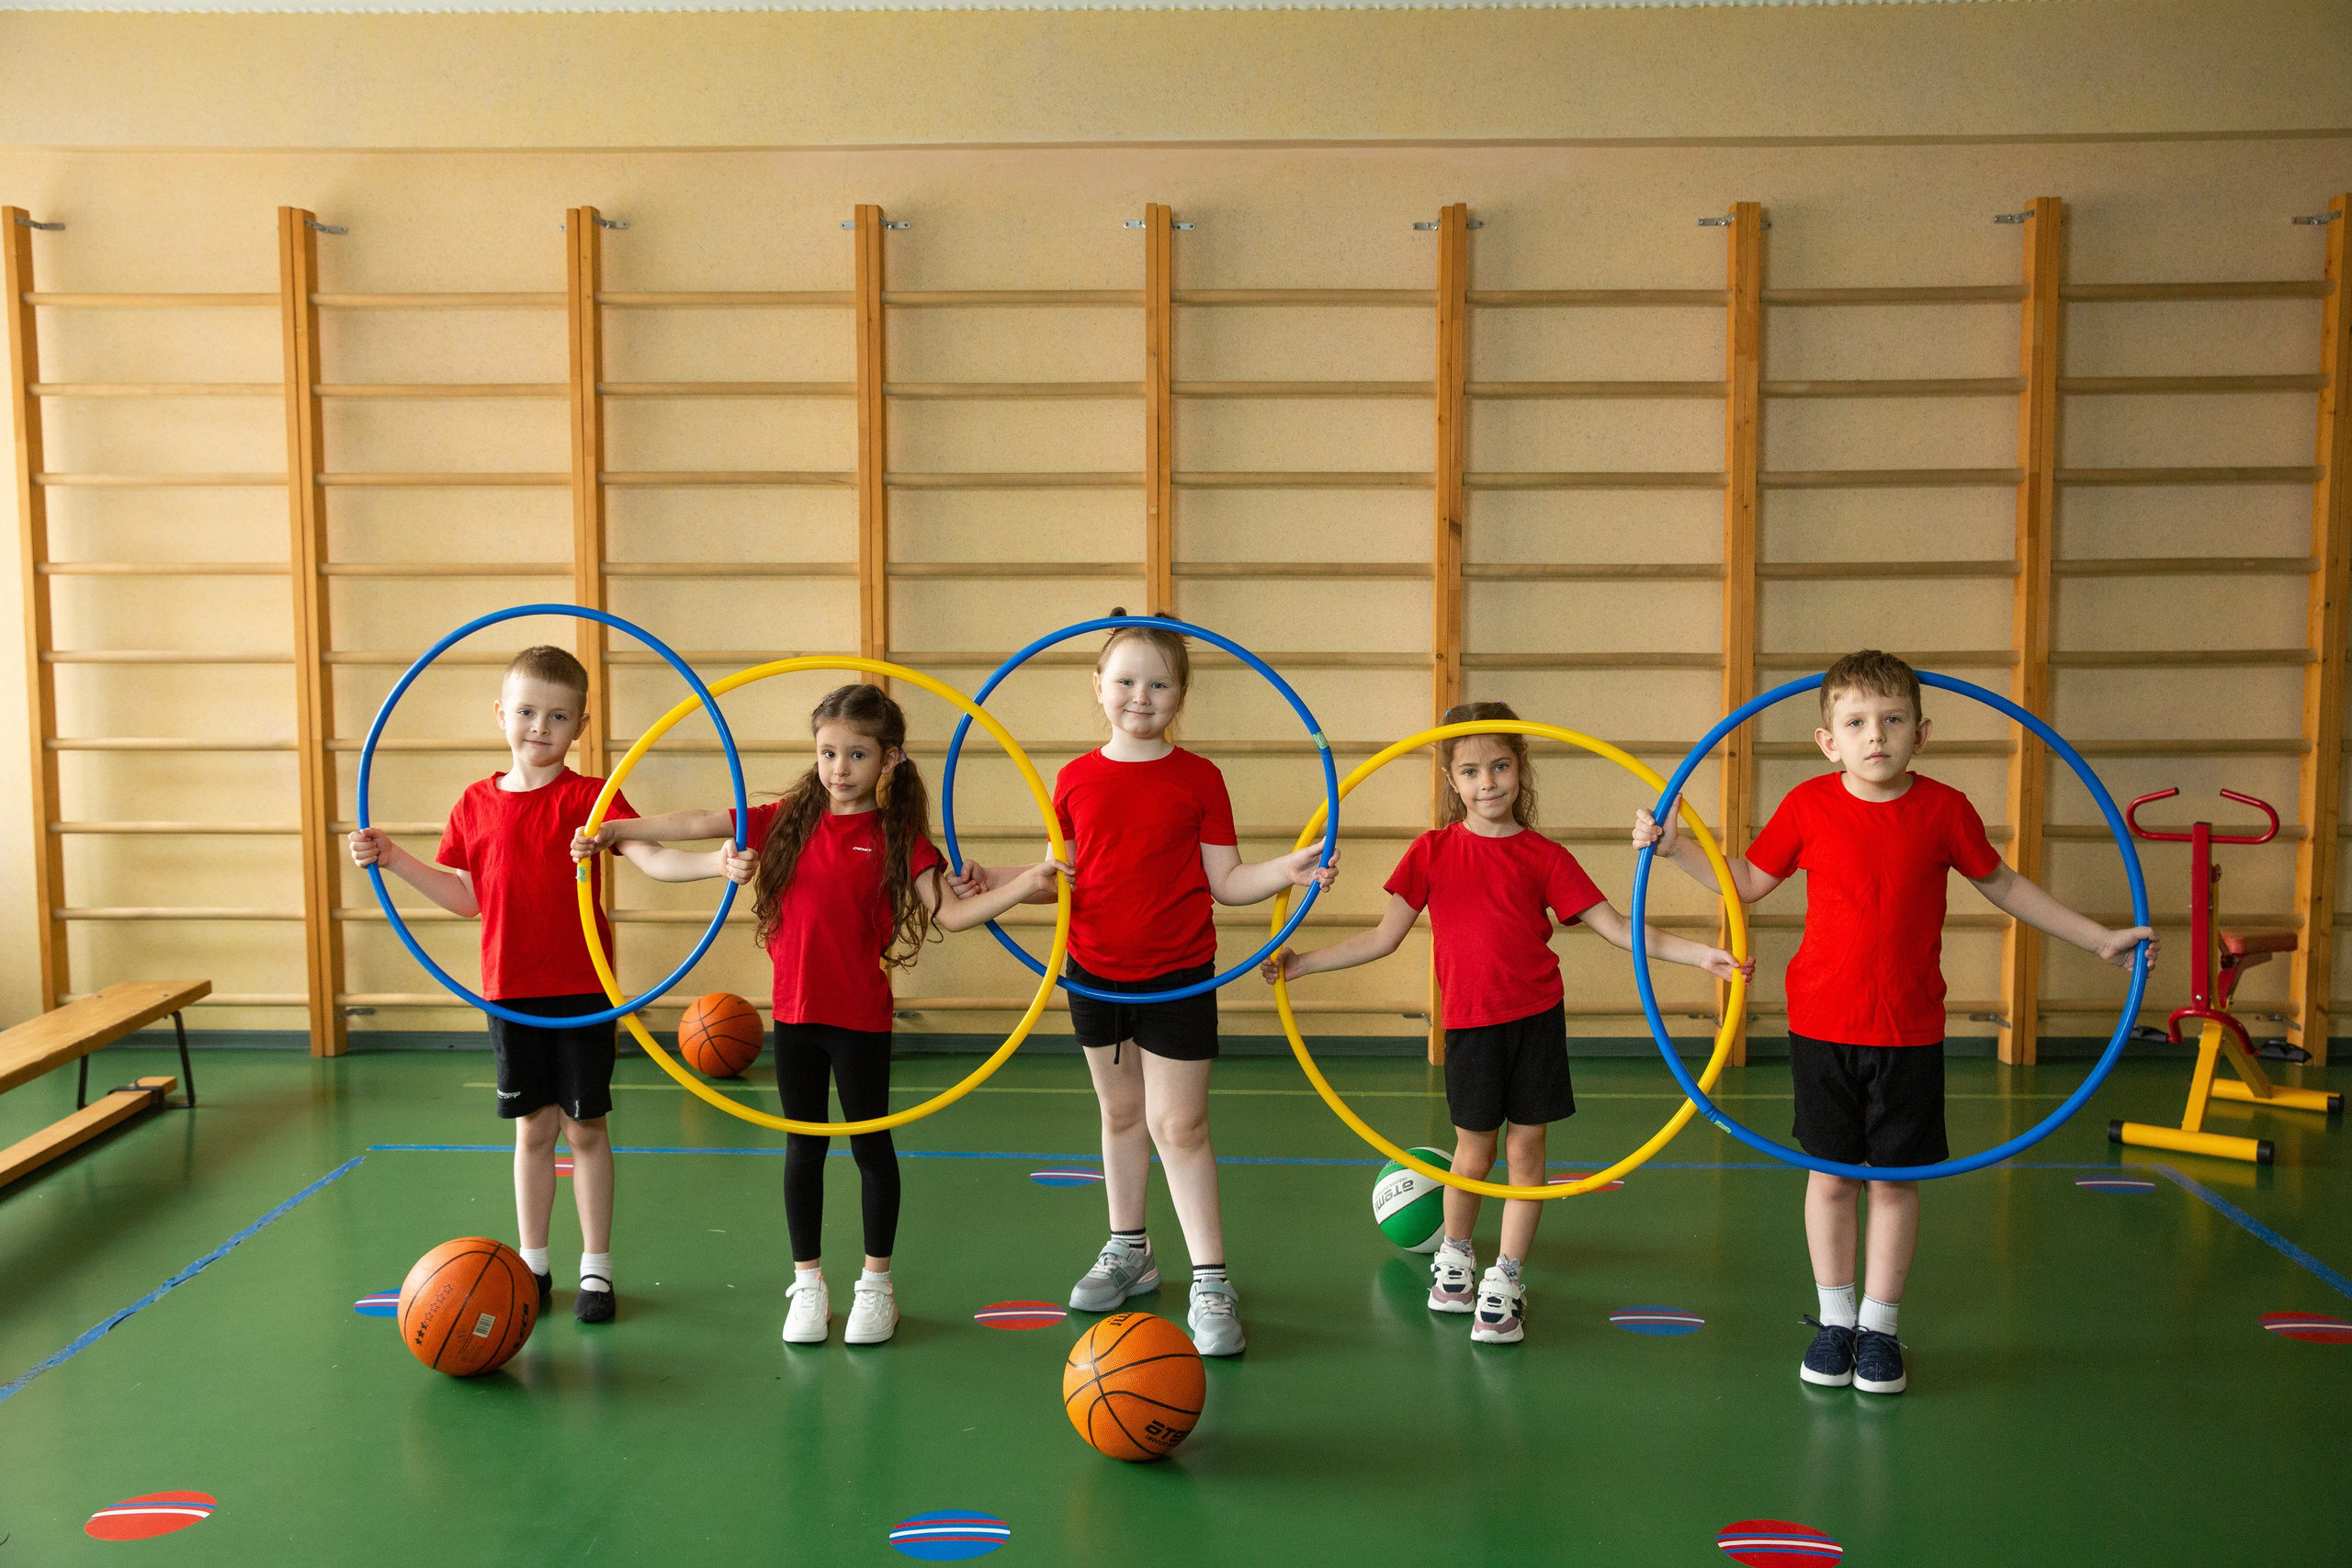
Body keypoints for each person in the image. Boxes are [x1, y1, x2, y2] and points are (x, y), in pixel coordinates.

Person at [1635, 649, 2154, 1394]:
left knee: (1894, 1181)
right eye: (1855, 722)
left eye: (1892, 719)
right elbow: (1743, 881)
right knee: (1831, 1177)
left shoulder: (1946, 809)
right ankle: (1835, 1320)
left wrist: (2101, 939)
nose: (1874, 734)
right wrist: (1676, 846)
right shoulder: (1808, 805)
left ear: (1921, 731)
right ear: (1828, 741)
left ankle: (1879, 1328)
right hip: (1822, 1026)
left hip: (1909, 1030)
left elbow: (2006, 886)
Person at [573, 682, 1065, 1347]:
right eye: (828, 752)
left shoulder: (898, 836)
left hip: (860, 1019)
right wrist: (616, 830)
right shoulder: (787, 819)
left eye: (857, 754)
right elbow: (700, 822)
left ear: (889, 758)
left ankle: (876, 1286)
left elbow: (951, 912)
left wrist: (1024, 885)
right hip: (796, 1018)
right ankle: (807, 1283)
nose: (839, 768)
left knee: (870, 1147)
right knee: (803, 1148)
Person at [1264, 701, 1749, 1344]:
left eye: (1499, 766)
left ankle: (1508, 1275)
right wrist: (1301, 963)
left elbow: (1619, 928)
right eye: (1470, 771)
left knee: (1526, 1150)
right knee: (1473, 1151)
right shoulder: (1431, 851)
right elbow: (1382, 938)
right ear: (1451, 779)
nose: (1487, 782)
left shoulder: (1544, 856)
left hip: (1536, 1021)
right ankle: (1456, 1256)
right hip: (1470, 1025)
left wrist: (1701, 955)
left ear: (1521, 767)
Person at [950, 611, 1337, 1358]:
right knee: (1121, 1113)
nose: (1140, 696)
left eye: (1159, 684)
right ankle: (1130, 1248)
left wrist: (1287, 870)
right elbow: (1064, 877)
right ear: (1097, 685)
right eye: (1126, 680)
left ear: (1181, 694)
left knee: (1180, 1126)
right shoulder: (1073, 778)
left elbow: (1227, 880)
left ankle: (1211, 1279)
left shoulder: (1199, 778)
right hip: (1094, 971)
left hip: (1179, 975)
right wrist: (996, 876)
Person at [350, 645, 654, 1325]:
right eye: (526, 711)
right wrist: (393, 857)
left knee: (585, 1128)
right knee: (534, 1129)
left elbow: (651, 855)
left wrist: (716, 866)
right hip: (511, 992)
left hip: (583, 990)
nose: (540, 726)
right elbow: (468, 899)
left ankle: (597, 1269)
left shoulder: (591, 798)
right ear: (500, 713)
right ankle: (533, 1264)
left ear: (580, 725)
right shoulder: (475, 803)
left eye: (558, 716)